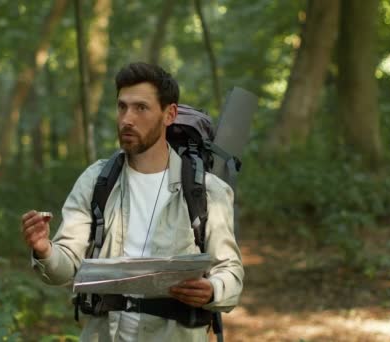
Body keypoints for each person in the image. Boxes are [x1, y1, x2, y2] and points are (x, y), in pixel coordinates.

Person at [21, 62, 244, 341]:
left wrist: (213, 289)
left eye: (141, 108)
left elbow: (231, 273)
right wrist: (45, 250)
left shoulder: (207, 191)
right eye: (122, 106)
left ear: (169, 114)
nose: (127, 119)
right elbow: (64, 269)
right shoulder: (97, 180)